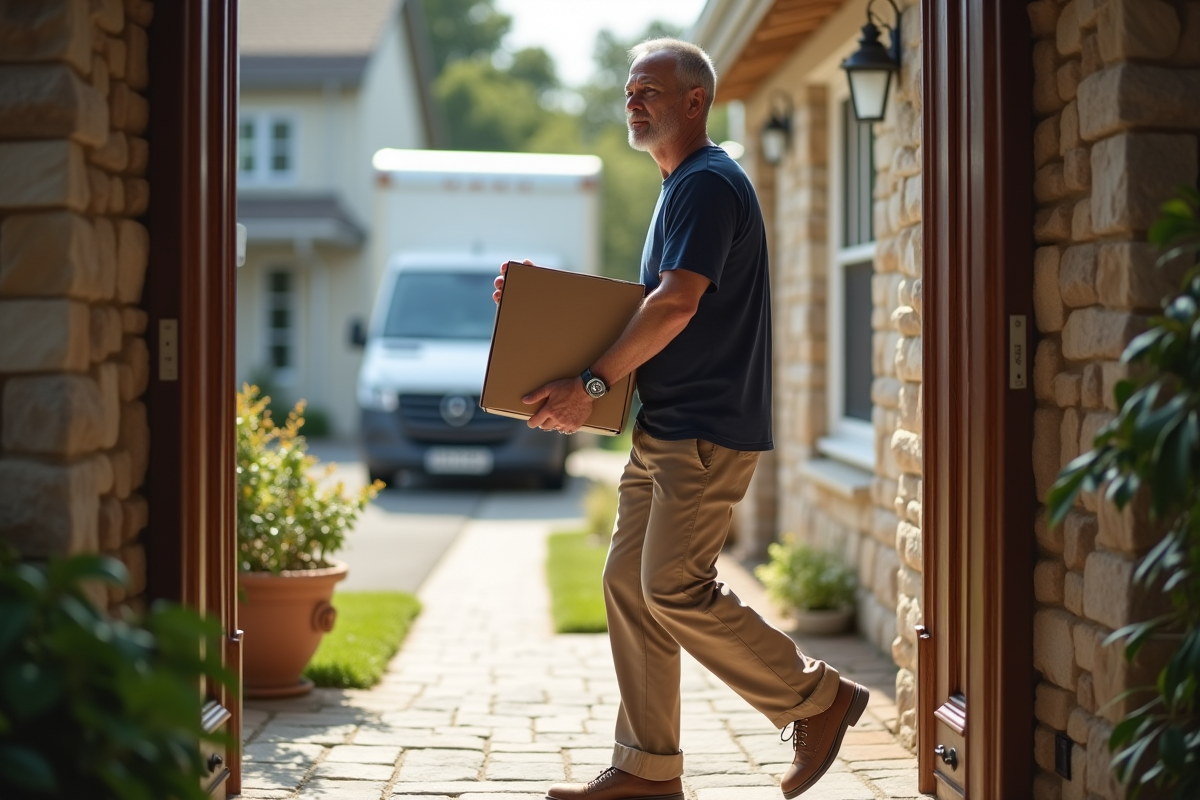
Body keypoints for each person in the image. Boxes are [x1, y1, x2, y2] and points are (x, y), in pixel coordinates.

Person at [492, 38, 868, 800]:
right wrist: (539, 306)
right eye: (629, 91)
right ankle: (647, 771)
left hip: (703, 431)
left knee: (672, 587)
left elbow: (674, 305)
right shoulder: (679, 187)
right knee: (628, 585)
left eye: (650, 90)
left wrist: (591, 381)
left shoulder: (706, 184)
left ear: (695, 101)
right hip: (665, 428)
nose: (633, 101)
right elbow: (645, 306)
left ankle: (817, 700)